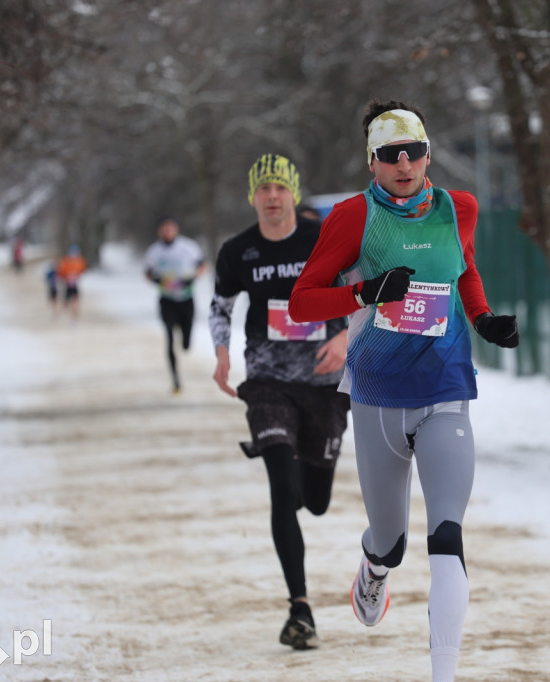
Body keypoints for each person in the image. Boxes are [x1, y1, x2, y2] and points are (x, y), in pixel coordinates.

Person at [288, 100, 519, 682]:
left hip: (445, 388)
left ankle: (444, 674)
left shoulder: (457, 208)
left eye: (414, 151)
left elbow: (463, 269)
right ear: (372, 162)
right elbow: (302, 300)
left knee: (447, 533)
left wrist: (483, 316)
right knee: (391, 542)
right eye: (391, 155)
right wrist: (365, 293)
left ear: (428, 154)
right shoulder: (351, 217)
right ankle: (374, 566)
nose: (405, 164)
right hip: (378, 396)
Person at [209, 153, 350, 651]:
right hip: (267, 382)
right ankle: (300, 609)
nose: (272, 196)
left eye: (280, 188)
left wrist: (345, 341)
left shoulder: (322, 238)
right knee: (279, 483)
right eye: (263, 188)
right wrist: (223, 354)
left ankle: (299, 488)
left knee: (314, 501)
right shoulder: (238, 251)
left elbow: (365, 293)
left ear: (293, 193)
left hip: (323, 383)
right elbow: (221, 308)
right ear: (253, 196)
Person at [143, 217, 208, 393]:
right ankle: (176, 380)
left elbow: (203, 266)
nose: (167, 232)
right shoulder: (154, 251)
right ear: (159, 231)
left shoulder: (188, 247)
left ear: (176, 230)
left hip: (186, 300)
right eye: (164, 229)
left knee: (186, 342)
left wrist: (192, 278)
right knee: (170, 338)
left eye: (170, 229)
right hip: (167, 301)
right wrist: (158, 281)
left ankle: (186, 340)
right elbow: (147, 274)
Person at [56, 244, 87, 321]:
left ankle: (74, 314)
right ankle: (65, 313)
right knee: (67, 299)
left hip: (74, 283)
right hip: (67, 283)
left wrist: (75, 275)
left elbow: (82, 270)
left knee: (75, 299)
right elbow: (61, 271)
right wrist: (66, 276)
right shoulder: (66, 260)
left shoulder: (79, 260)